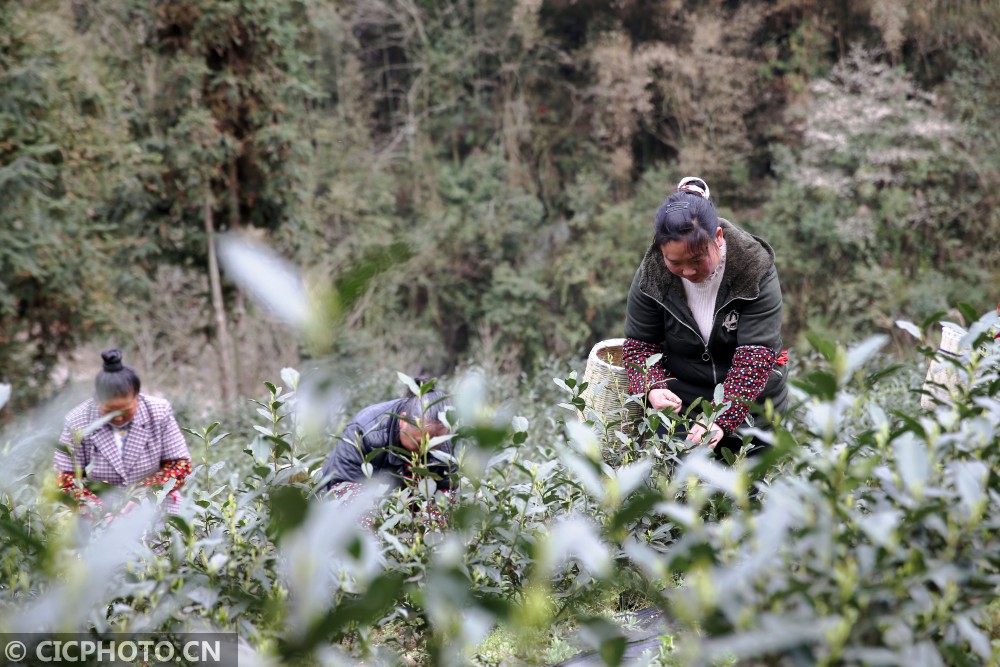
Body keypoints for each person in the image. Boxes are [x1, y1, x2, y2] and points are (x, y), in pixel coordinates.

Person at [623, 177, 788, 456]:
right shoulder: (652, 275)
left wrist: (720, 417)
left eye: (697, 260)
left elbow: (756, 356)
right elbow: (639, 346)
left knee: (751, 494)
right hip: (681, 411)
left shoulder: (753, 268)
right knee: (680, 495)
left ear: (718, 238)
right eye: (675, 262)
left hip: (752, 411)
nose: (688, 271)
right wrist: (651, 386)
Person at [54, 349, 192, 515]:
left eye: (126, 410)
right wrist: (96, 510)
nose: (118, 418)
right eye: (110, 411)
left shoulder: (159, 412)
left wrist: (146, 495)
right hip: (98, 517)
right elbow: (65, 478)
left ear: (137, 397)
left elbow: (180, 465)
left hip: (156, 507)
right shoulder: (78, 421)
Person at [319, 382, 454, 527]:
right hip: (363, 498)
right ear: (402, 421)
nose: (426, 450)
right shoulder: (364, 430)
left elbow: (447, 490)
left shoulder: (444, 440)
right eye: (420, 443)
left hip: (405, 505)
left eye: (435, 444)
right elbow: (343, 487)